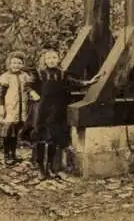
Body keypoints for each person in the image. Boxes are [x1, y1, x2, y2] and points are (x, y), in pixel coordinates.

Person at [29, 49, 103, 180]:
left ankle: (51, 167)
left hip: (57, 109)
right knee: (41, 137)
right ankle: (40, 168)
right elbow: (28, 85)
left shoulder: (62, 75)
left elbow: (75, 83)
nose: (51, 60)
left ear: (58, 59)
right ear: (45, 60)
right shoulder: (40, 74)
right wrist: (32, 92)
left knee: (53, 138)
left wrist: (89, 82)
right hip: (43, 109)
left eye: (54, 57)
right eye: (49, 58)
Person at [0, 50, 39, 166]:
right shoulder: (5, 77)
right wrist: (1, 106)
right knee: (7, 132)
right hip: (9, 108)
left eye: (19, 63)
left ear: (22, 64)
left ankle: (13, 154)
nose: (16, 65)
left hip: (21, 108)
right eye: (14, 63)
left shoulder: (24, 76)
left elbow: (28, 88)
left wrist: (32, 94)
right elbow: (0, 94)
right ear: (9, 63)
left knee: (15, 132)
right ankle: (6, 155)